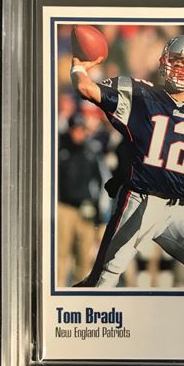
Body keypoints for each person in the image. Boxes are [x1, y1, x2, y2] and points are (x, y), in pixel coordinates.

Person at [70, 35, 184, 288]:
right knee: (103, 280)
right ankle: (74, 310)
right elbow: (86, 89)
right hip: (138, 201)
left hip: (176, 208)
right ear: (165, 62)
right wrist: (78, 67)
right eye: (179, 62)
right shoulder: (141, 96)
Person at [56, 113, 105, 286]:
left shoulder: (91, 152)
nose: (78, 133)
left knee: (84, 258)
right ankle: (59, 289)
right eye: (75, 129)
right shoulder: (61, 150)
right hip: (65, 208)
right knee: (61, 255)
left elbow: (100, 183)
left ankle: (80, 294)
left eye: (81, 129)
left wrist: (98, 213)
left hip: (86, 210)